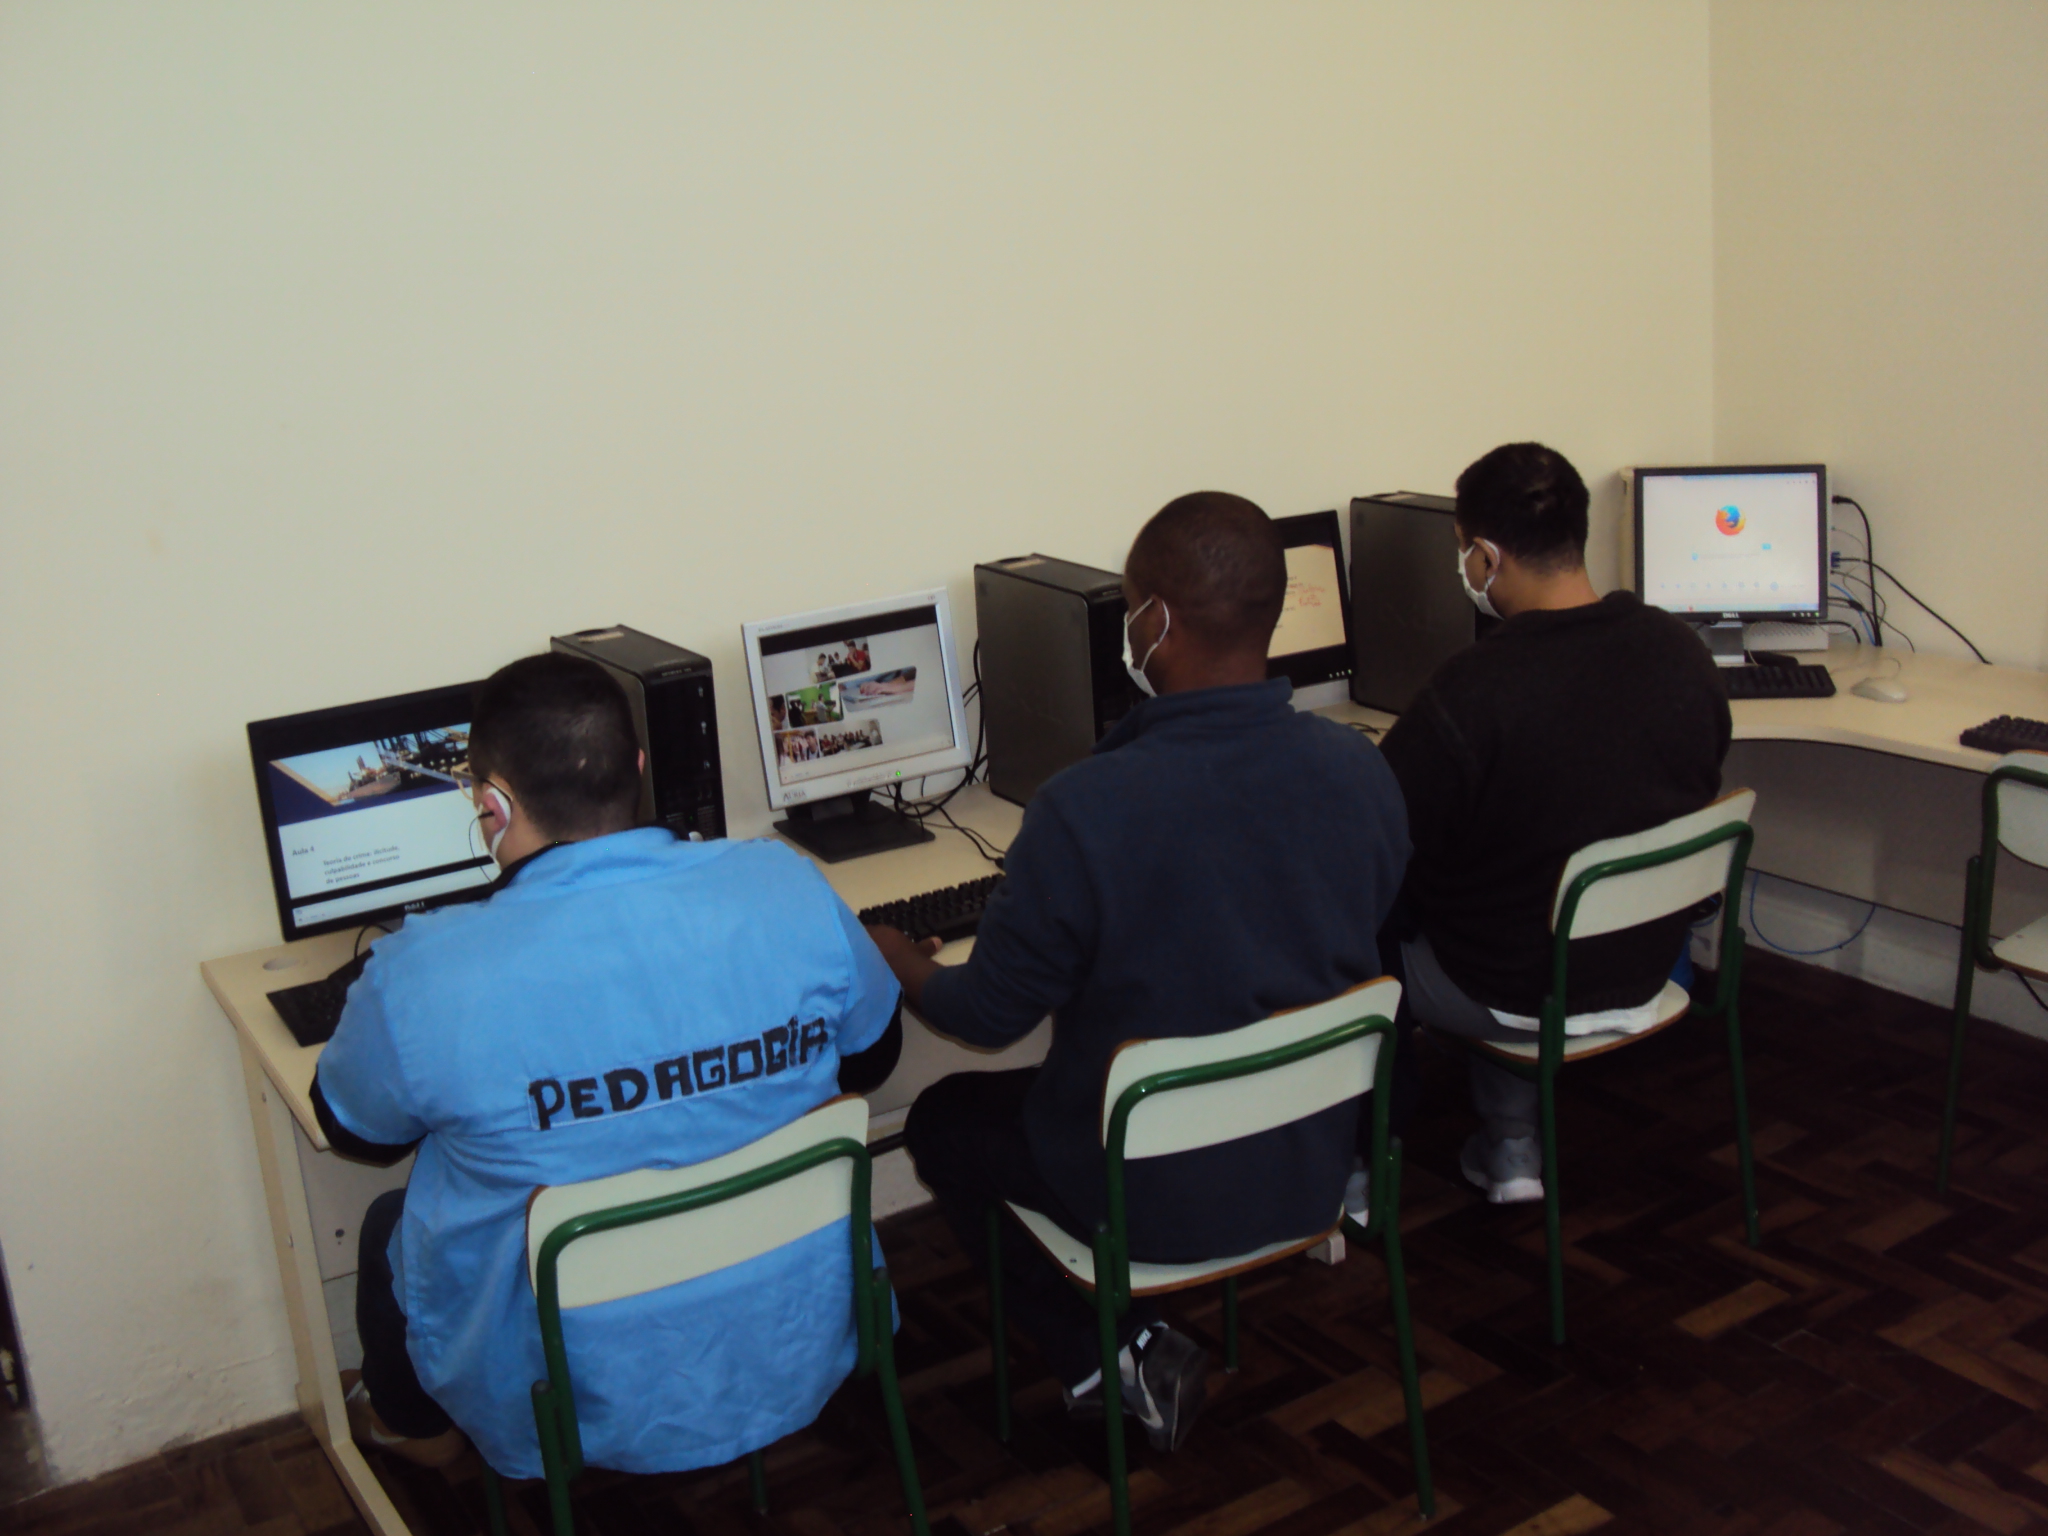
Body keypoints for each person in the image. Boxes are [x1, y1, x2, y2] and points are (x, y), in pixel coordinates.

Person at [869, 493, 1409, 1453]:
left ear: (1153, 620)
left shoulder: (1085, 808)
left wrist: (900, 957)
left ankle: (1104, 1354)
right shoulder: (1362, 770)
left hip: (1151, 1196)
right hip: (1307, 1162)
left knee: (944, 1120)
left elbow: (986, 1016)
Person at [312, 653, 900, 1477]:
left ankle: (419, 1430)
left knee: (389, 1223)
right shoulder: (783, 883)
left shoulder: (420, 976)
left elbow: (355, 1130)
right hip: (793, 1322)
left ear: (489, 804)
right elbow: (874, 1056)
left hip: (570, 1378)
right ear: (638, 767)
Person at [1378, 442, 1730, 1204]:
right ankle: (1507, 1148)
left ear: (1484, 556)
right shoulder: (1679, 651)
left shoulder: (1473, 689)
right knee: (1520, 886)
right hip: (1645, 961)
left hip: (1513, 985)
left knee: (1369, 919)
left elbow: (1383, 831)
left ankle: (1365, 1170)